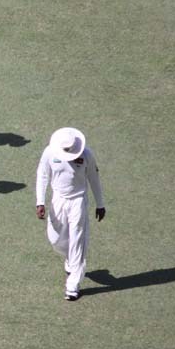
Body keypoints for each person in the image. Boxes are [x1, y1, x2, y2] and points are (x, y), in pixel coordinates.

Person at [35, 127, 106, 300]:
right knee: (55, 237)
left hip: (78, 201)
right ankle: (70, 259)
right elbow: (43, 175)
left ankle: (73, 284)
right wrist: (40, 201)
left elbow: (94, 179)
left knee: (77, 240)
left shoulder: (86, 154)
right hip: (58, 199)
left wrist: (100, 204)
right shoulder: (50, 152)